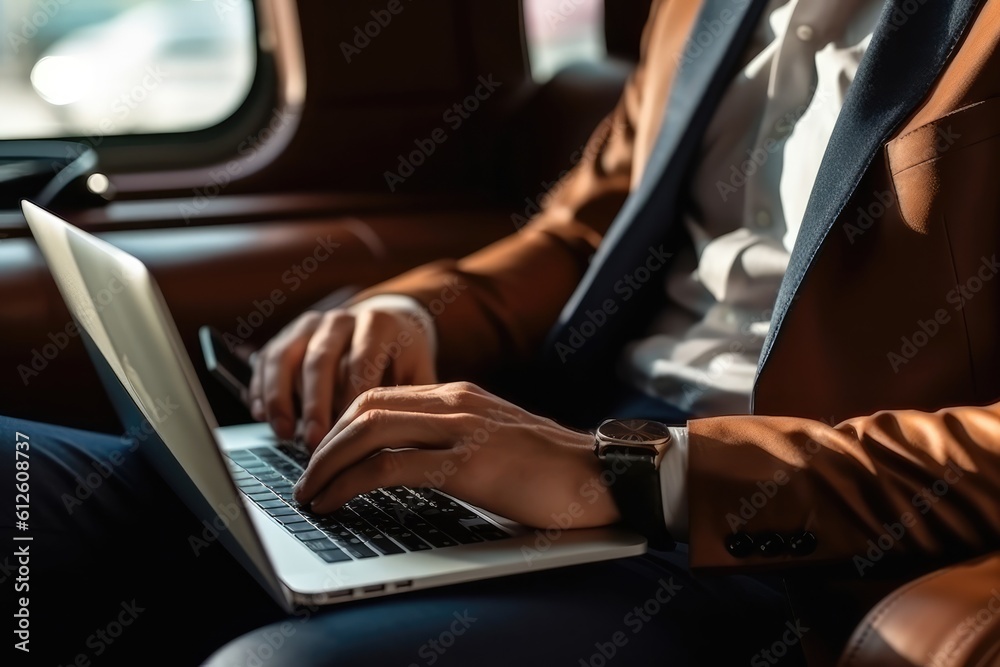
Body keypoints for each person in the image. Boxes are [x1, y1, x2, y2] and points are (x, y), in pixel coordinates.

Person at [5, 0, 1000, 664]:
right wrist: (408, 312)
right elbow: (587, 227)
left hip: (766, 543)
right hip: (553, 445)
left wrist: (630, 476)